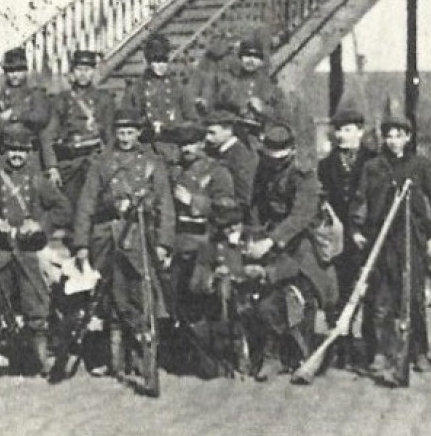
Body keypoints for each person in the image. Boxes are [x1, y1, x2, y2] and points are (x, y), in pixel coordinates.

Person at [71, 109, 176, 378]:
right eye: (121, 132)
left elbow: (166, 205)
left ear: (139, 133)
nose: (125, 138)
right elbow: (86, 205)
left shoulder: (153, 163)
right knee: (107, 295)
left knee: (141, 292)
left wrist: (164, 243)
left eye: (130, 132)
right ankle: (111, 356)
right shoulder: (101, 163)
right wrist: (81, 243)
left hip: (142, 235)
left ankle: (141, 356)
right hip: (107, 234)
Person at [352, 115, 431, 388]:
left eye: (399, 135)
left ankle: (418, 351)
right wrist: (357, 229)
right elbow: (360, 201)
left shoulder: (421, 166)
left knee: (412, 295)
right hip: (380, 239)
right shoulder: (373, 167)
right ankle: (382, 351)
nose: (394, 141)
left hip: (412, 237)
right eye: (389, 135)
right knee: (381, 297)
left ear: (408, 137)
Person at [245, 123, 338, 381]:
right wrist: (254, 237)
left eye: (279, 159)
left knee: (299, 296)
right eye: (269, 158)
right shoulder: (262, 171)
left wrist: (272, 240)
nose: (273, 164)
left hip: (303, 245)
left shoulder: (304, 176)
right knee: (264, 293)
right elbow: (256, 206)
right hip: (273, 240)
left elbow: (301, 216)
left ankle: (306, 356)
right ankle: (271, 356)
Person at [0, 125, 71, 375]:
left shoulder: (39, 179)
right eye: (11, 150)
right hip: (1, 250)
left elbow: (63, 208)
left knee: (36, 307)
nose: (16, 155)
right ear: (5, 151)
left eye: (21, 150)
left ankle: (41, 359)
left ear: (29, 152)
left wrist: (40, 225)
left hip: (30, 251)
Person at [164, 122, 238, 377]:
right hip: (178, 244)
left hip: (206, 246)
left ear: (202, 144)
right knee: (177, 302)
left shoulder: (218, 172)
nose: (187, 149)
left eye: (192, 143)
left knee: (207, 303)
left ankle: (212, 360)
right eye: (182, 145)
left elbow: (227, 210)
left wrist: (193, 201)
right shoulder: (172, 172)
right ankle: (189, 356)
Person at [319, 106, 378, 369]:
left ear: (360, 132)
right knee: (341, 292)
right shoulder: (326, 165)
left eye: (349, 130)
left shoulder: (374, 162)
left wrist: (364, 230)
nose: (343, 135)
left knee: (372, 291)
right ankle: (341, 346)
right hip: (339, 238)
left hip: (368, 235)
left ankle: (370, 347)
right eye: (339, 130)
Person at [46, 49, 119, 207]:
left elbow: (110, 135)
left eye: (87, 70)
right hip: (70, 163)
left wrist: (109, 162)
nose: (83, 74)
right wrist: (52, 167)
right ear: (72, 72)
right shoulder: (62, 99)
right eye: (79, 69)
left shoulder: (104, 99)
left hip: (95, 160)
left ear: (93, 72)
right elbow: (49, 134)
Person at [124, 33, 194, 163]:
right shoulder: (136, 87)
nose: (161, 65)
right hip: (148, 144)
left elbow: (191, 116)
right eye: (156, 61)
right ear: (147, 62)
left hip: (175, 142)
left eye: (164, 60)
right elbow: (128, 119)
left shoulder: (177, 85)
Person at [0, 48, 54, 165]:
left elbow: (40, 117)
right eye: (10, 71)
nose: (14, 75)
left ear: (26, 71)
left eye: (19, 70)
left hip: (30, 152)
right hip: (4, 152)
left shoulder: (35, 92)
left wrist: (13, 114)